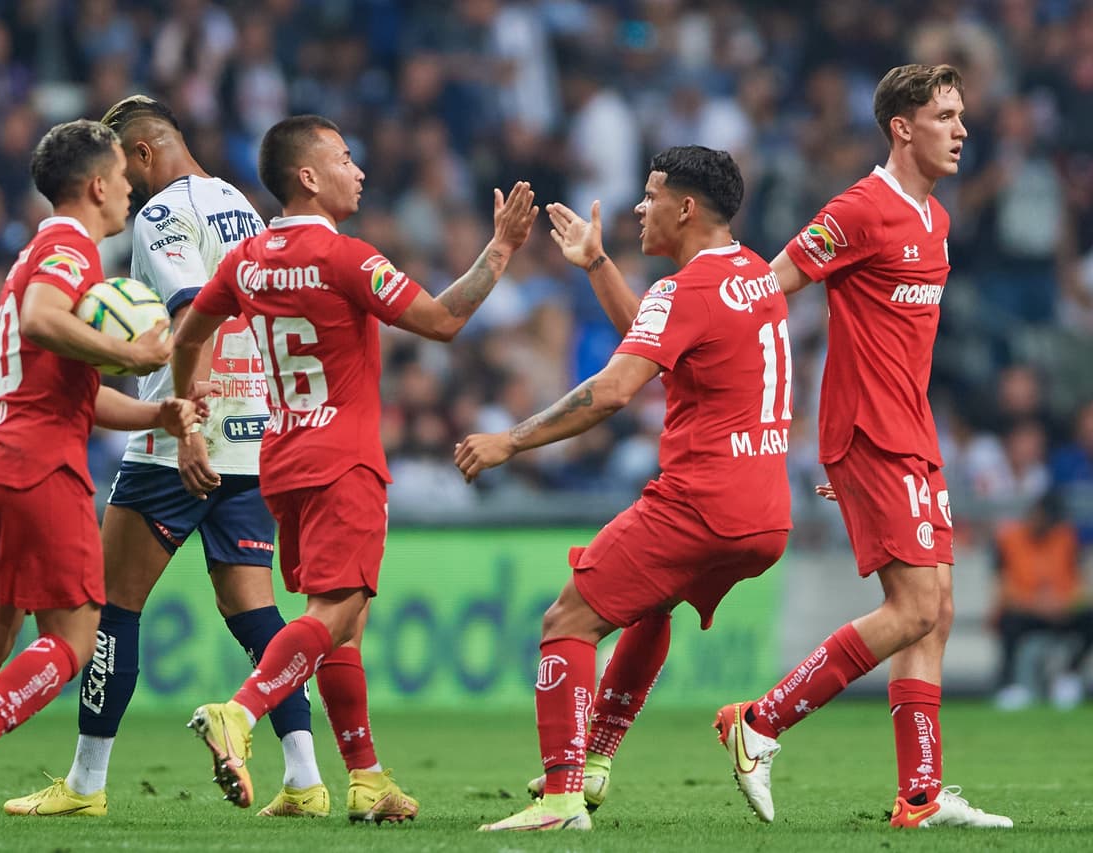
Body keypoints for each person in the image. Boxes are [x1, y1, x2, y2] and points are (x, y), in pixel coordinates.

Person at [171, 115, 537, 821]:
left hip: (281, 461)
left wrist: (191, 412)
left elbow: (189, 334)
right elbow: (441, 320)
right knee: (335, 610)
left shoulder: (245, 259)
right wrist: (500, 249)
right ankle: (239, 715)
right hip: (344, 459)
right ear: (308, 176)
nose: (359, 170)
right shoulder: (348, 259)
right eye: (344, 158)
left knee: (343, 622)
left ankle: (366, 779)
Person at [4, 96, 327, 820]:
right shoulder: (243, 207)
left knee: (110, 605)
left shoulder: (159, 215)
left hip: (183, 434)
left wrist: (183, 427)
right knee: (255, 613)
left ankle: (85, 784)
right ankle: (304, 775)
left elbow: (189, 316)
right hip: (256, 433)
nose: (120, 181)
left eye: (121, 164)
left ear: (143, 153)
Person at [456, 146, 792, 832]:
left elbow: (614, 389)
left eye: (652, 194)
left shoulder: (683, 289)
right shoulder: (755, 274)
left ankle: (560, 797)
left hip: (700, 503)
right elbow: (663, 344)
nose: (640, 206)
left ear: (687, 208)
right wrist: (599, 265)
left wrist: (510, 440)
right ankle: (598, 757)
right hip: (765, 514)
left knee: (567, 620)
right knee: (650, 603)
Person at [713, 64, 1013, 829]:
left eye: (962, 114)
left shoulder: (936, 220)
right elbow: (769, 286)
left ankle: (920, 795)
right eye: (946, 115)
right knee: (911, 606)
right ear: (902, 128)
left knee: (936, 611)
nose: (962, 130)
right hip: (872, 431)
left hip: (911, 433)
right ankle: (761, 721)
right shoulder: (857, 209)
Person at [0, 119, 200, 837]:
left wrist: (153, 411)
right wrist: (130, 352)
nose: (132, 186)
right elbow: (44, 321)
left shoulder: (36, 253)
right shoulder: (70, 245)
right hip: (39, 463)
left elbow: (70, 383)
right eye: (123, 175)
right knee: (73, 640)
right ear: (98, 184)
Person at [993, 490, 1093, 710]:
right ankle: (1011, 685)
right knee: (1008, 622)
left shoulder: (1066, 538)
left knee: (1089, 619)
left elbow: (1079, 584)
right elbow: (1002, 588)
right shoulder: (1010, 539)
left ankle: (1068, 676)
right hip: (1025, 609)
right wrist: (1034, 604)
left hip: (1060, 609)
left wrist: (1062, 602)